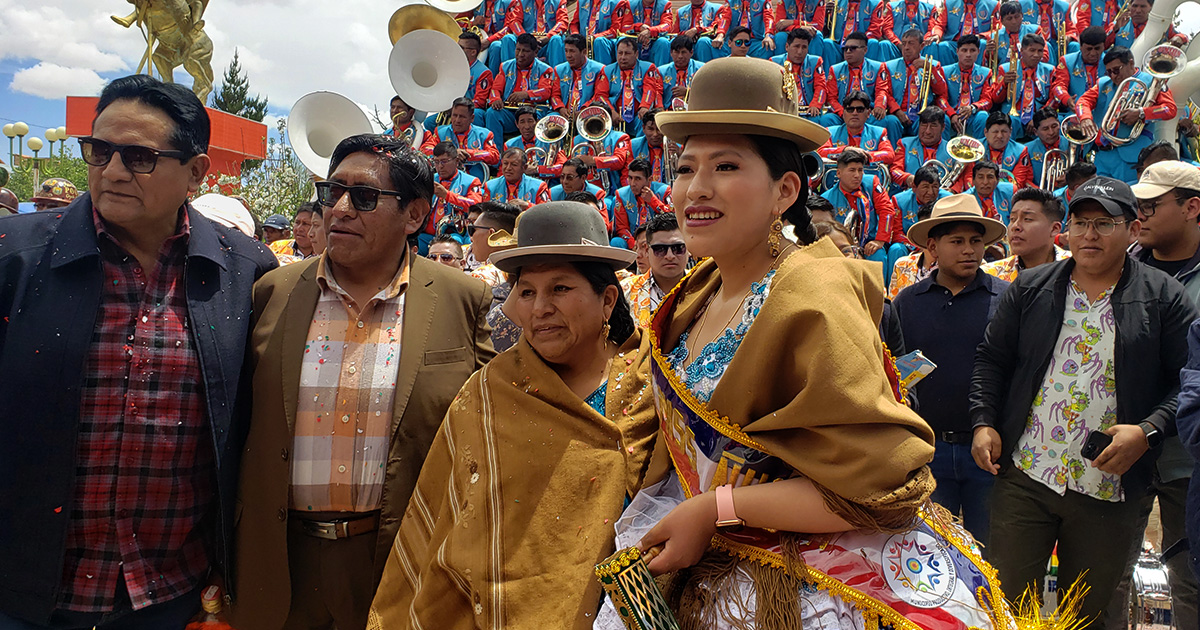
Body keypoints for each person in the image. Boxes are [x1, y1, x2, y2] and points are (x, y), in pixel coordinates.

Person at [595, 57, 1019, 630]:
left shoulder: (812, 294)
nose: (695, 188)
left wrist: (716, 508)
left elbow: (878, 484)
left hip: (809, 580)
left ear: (785, 190)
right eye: (685, 167)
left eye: (724, 166)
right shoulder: (702, 284)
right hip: (714, 549)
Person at [0, 74, 278, 629]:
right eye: (99, 151)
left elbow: (248, 430)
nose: (113, 171)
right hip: (21, 594)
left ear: (197, 172)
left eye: (139, 157)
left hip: (171, 599)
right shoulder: (15, 258)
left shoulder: (245, 274)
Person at [228, 134, 496, 630]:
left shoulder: (464, 299)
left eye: (366, 197)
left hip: (401, 558)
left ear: (414, 216)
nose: (341, 209)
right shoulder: (273, 291)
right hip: (279, 561)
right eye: (334, 192)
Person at [366, 201, 659, 628]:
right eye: (527, 291)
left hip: (634, 609)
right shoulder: (488, 395)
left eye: (560, 288)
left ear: (608, 299)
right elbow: (444, 517)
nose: (540, 307)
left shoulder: (654, 387)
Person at [970, 176, 1198, 629]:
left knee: (1088, 615)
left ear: (1132, 230)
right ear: (1066, 231)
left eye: (1105, 223)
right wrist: (983, 421)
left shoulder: (1163, 298)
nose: (1090, 234)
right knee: (1005, 606)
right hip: (1027, 474)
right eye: (1080, 223)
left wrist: (1148, 430)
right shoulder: (1031, 287)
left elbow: (1187, 383)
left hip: (1109, 488)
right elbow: (991, 360)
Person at [1108, 160, 1200, 630]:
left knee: (1193, 580)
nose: (1138, 215)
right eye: (1135, 206)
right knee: (1108, 578)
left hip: (1191, 454)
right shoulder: (1116, 269)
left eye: (1151, 205)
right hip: (1121, 450)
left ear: (1192, 208)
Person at [894, 194, 1009, 546]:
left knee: (992, 555)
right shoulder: (907, 302)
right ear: (933, 246)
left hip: (990, 452)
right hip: (929, 450)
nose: (969, 250)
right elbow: (897, 371)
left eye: (976, 241)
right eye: (956, 242)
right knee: (929, 552)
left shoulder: (1006, 298)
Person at [1076, 46, 1177, 184]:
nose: (1113, 76)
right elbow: (1082, 101)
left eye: (1116, 70)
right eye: (1109, 71)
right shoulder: (1103, 83)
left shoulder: (1153, 81)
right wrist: (1085, 118)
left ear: (1130, 63)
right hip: (1103, 154)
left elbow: (1169, 109)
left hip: (1132, 154)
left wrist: (1141, 113)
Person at [821, 149, 906, 284]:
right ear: (839, 173)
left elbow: (887, 210)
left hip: (870, 243)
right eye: (852, 170)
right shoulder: (826, 199)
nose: (857, 175)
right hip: (842, 249)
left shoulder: (871, 183)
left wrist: (879, 241)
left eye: (860, 170)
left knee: (878, 255)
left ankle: (882, 298)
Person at [487, 34, 563, 141]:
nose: (520, 54)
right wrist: (496, 99)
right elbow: (495, 89)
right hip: (511, 112)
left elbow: (546, 92)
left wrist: (526, 94)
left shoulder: (545, 69)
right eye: (518, 50)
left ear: (535, 52)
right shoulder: (505, 66)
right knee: (492, 113)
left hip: (534, 111)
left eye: (525, 51)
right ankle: (496, 153)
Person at [879, 28, 950, 142]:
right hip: (897, 114)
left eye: (911, 44)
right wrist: (897, 111)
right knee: (890, 121)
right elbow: (885, 93)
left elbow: (941, 91)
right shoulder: (888, 66)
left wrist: (930, 69)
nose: (906, 47)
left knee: (940, 120)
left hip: (922, 114)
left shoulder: (933, 65)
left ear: (921, 46)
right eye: (904, 43)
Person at [622, 212, 689, 326]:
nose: (669, 256)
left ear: (688, 249)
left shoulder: (704, 286)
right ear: (648, 251)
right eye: (660, 249)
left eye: (678, 248)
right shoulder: (625, 291)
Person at [987, 33, 1055, 137]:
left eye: (1040, 51)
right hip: (1014, 115)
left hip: (1039, 113)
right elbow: (995, 99)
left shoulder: (1049, 70)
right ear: (1022, 50)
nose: (1036, 55)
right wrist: (1004, 83)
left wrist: (1039, 117)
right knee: (1009, 123)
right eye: (1032, 50)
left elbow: (1053, 98)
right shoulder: (1005, 68)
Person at [422, 97, 501, 184]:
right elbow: (426, 149)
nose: (457, 120)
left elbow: (495, 157)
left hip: (475, 184)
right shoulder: (440, 132)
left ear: (472, 118)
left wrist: (469, 154)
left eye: (462, 117)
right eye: (454, 115)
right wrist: (450, 153)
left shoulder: (484, 134)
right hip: (445, 184)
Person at [772, 28, 840, 127]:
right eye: (796, 46)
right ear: (787, 47)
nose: (800, 52)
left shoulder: (816, 62)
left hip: (809, 111)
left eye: (804, 47)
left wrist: (815, 105)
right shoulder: (775, 62)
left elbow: (821, 87)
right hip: (784, 110)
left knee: (815, 121)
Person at [427, 140, 484, 251]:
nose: (440, 166)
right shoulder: (429, 179)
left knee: (448, 248)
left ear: (456, 161)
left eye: (444, 161)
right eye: (436, 162)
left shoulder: (471, 181)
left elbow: (476, 207)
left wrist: (447, 195)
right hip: (427, 234)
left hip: (455, 233)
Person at [816, 90, 896, 169]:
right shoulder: (830, 132)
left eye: (860, 110)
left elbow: (889, 155)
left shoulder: (879, 132)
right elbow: (820, 152)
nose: (854, 113)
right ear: (843, 113)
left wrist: (864, 156)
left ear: (868, 113)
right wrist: (845, 150)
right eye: (850, 109)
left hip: (869, 178)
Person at [605, 37, 665, 137]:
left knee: (646, 122)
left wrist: (644, 107)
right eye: (620, 53)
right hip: (614, 115)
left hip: (638, 115)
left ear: (636, 54)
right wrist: (611, 111)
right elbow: (600, 95)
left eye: (627, 53)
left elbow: (649, 90)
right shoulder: (607, 71)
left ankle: (639, 149)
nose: (622, 57)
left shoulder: (648, 68)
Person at [891, 107, 957, 189]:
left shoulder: (953, 150)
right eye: (924, 125)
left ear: (943, 127)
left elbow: (962, 179)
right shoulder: (904, 144)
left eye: (933, 125)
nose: (927, 131)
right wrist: (908, 178)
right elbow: (894, 170)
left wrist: (953, 190)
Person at [611, 159, 671, 248]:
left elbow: (672, 218)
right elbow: (622, 228)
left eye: (637, 179)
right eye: (630, 178)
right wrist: (634, 244)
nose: (632, 183)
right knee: (616, 242)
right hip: (633, 241)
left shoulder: (664, 191)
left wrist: (653, 201)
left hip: (659, 240)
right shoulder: (621, 195)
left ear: (650, 179)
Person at [944, 34, 994, 139]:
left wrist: (973, 108)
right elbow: (941, 98)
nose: (968, 54)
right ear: (957, 51)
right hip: (951, 114)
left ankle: (979, 151)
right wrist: (951, 114)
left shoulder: (985, 73)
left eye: (972, 50)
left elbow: (987, 99)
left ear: (979, 52)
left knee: (983, 116)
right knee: (941, 117)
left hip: (973, 116)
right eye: (964, 50)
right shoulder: (945, 72)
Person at [1050, 26, 1107, 115]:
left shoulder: (1111, 62)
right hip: (1075, 112)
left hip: (1104, 113)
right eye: (1088, 49)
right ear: (1080, 46)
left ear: (1104, 47)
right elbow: (1058, 86)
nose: (1093, 53)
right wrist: (1067, 99)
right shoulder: (1067, 61)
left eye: (1097, 48)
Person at [468, 202, 521, 287]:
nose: (471, 238)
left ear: (491, 234)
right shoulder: (525, 271)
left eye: (472, 230)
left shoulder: (480, 277)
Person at [556, 33, 611, 116]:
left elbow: (598, 95)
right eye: (566, 51)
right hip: (562, 113)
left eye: (572, 51)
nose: (568, 55)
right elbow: (554, 95)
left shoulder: (599, 69)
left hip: (589, 113)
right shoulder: (558, 70)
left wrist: (584, 110)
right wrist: (560, 108)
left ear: (584, 52)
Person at [484, 148, 552, 210]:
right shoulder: (490, 186)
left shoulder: (539, 187)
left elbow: (545, 212)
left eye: (514, 164)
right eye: (505, 163)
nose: (508, 168)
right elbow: (484, 212)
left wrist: (527, 206)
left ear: (524, 167)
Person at [893, 164, 951, 238]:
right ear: (914, 187)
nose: (930, 192)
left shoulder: (948, 200)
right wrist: (916, 247)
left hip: (939, 244)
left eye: (935, 187)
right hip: (909, 244)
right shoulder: (900, 201)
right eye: (925, 187)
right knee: (896, 248)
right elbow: (897, 233)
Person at [1025, 109, 1069, 189]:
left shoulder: (1070, 143)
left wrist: (1070, 177)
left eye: (1054, 126)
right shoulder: (1026, 149)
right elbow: (1025, 180)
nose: (1051, 132)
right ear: (1035, 132)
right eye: (1045, 129)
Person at [659, 35, 704, 107]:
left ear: (691, 53)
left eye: (683, 52)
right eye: (676, 52)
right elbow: (657, 94)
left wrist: (688, 92)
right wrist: (660, 109)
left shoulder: (702, 69)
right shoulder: (661, 71)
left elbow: (707, 94)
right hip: (668, 112)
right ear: (671, 53)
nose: (680, 56)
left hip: (694, 110)